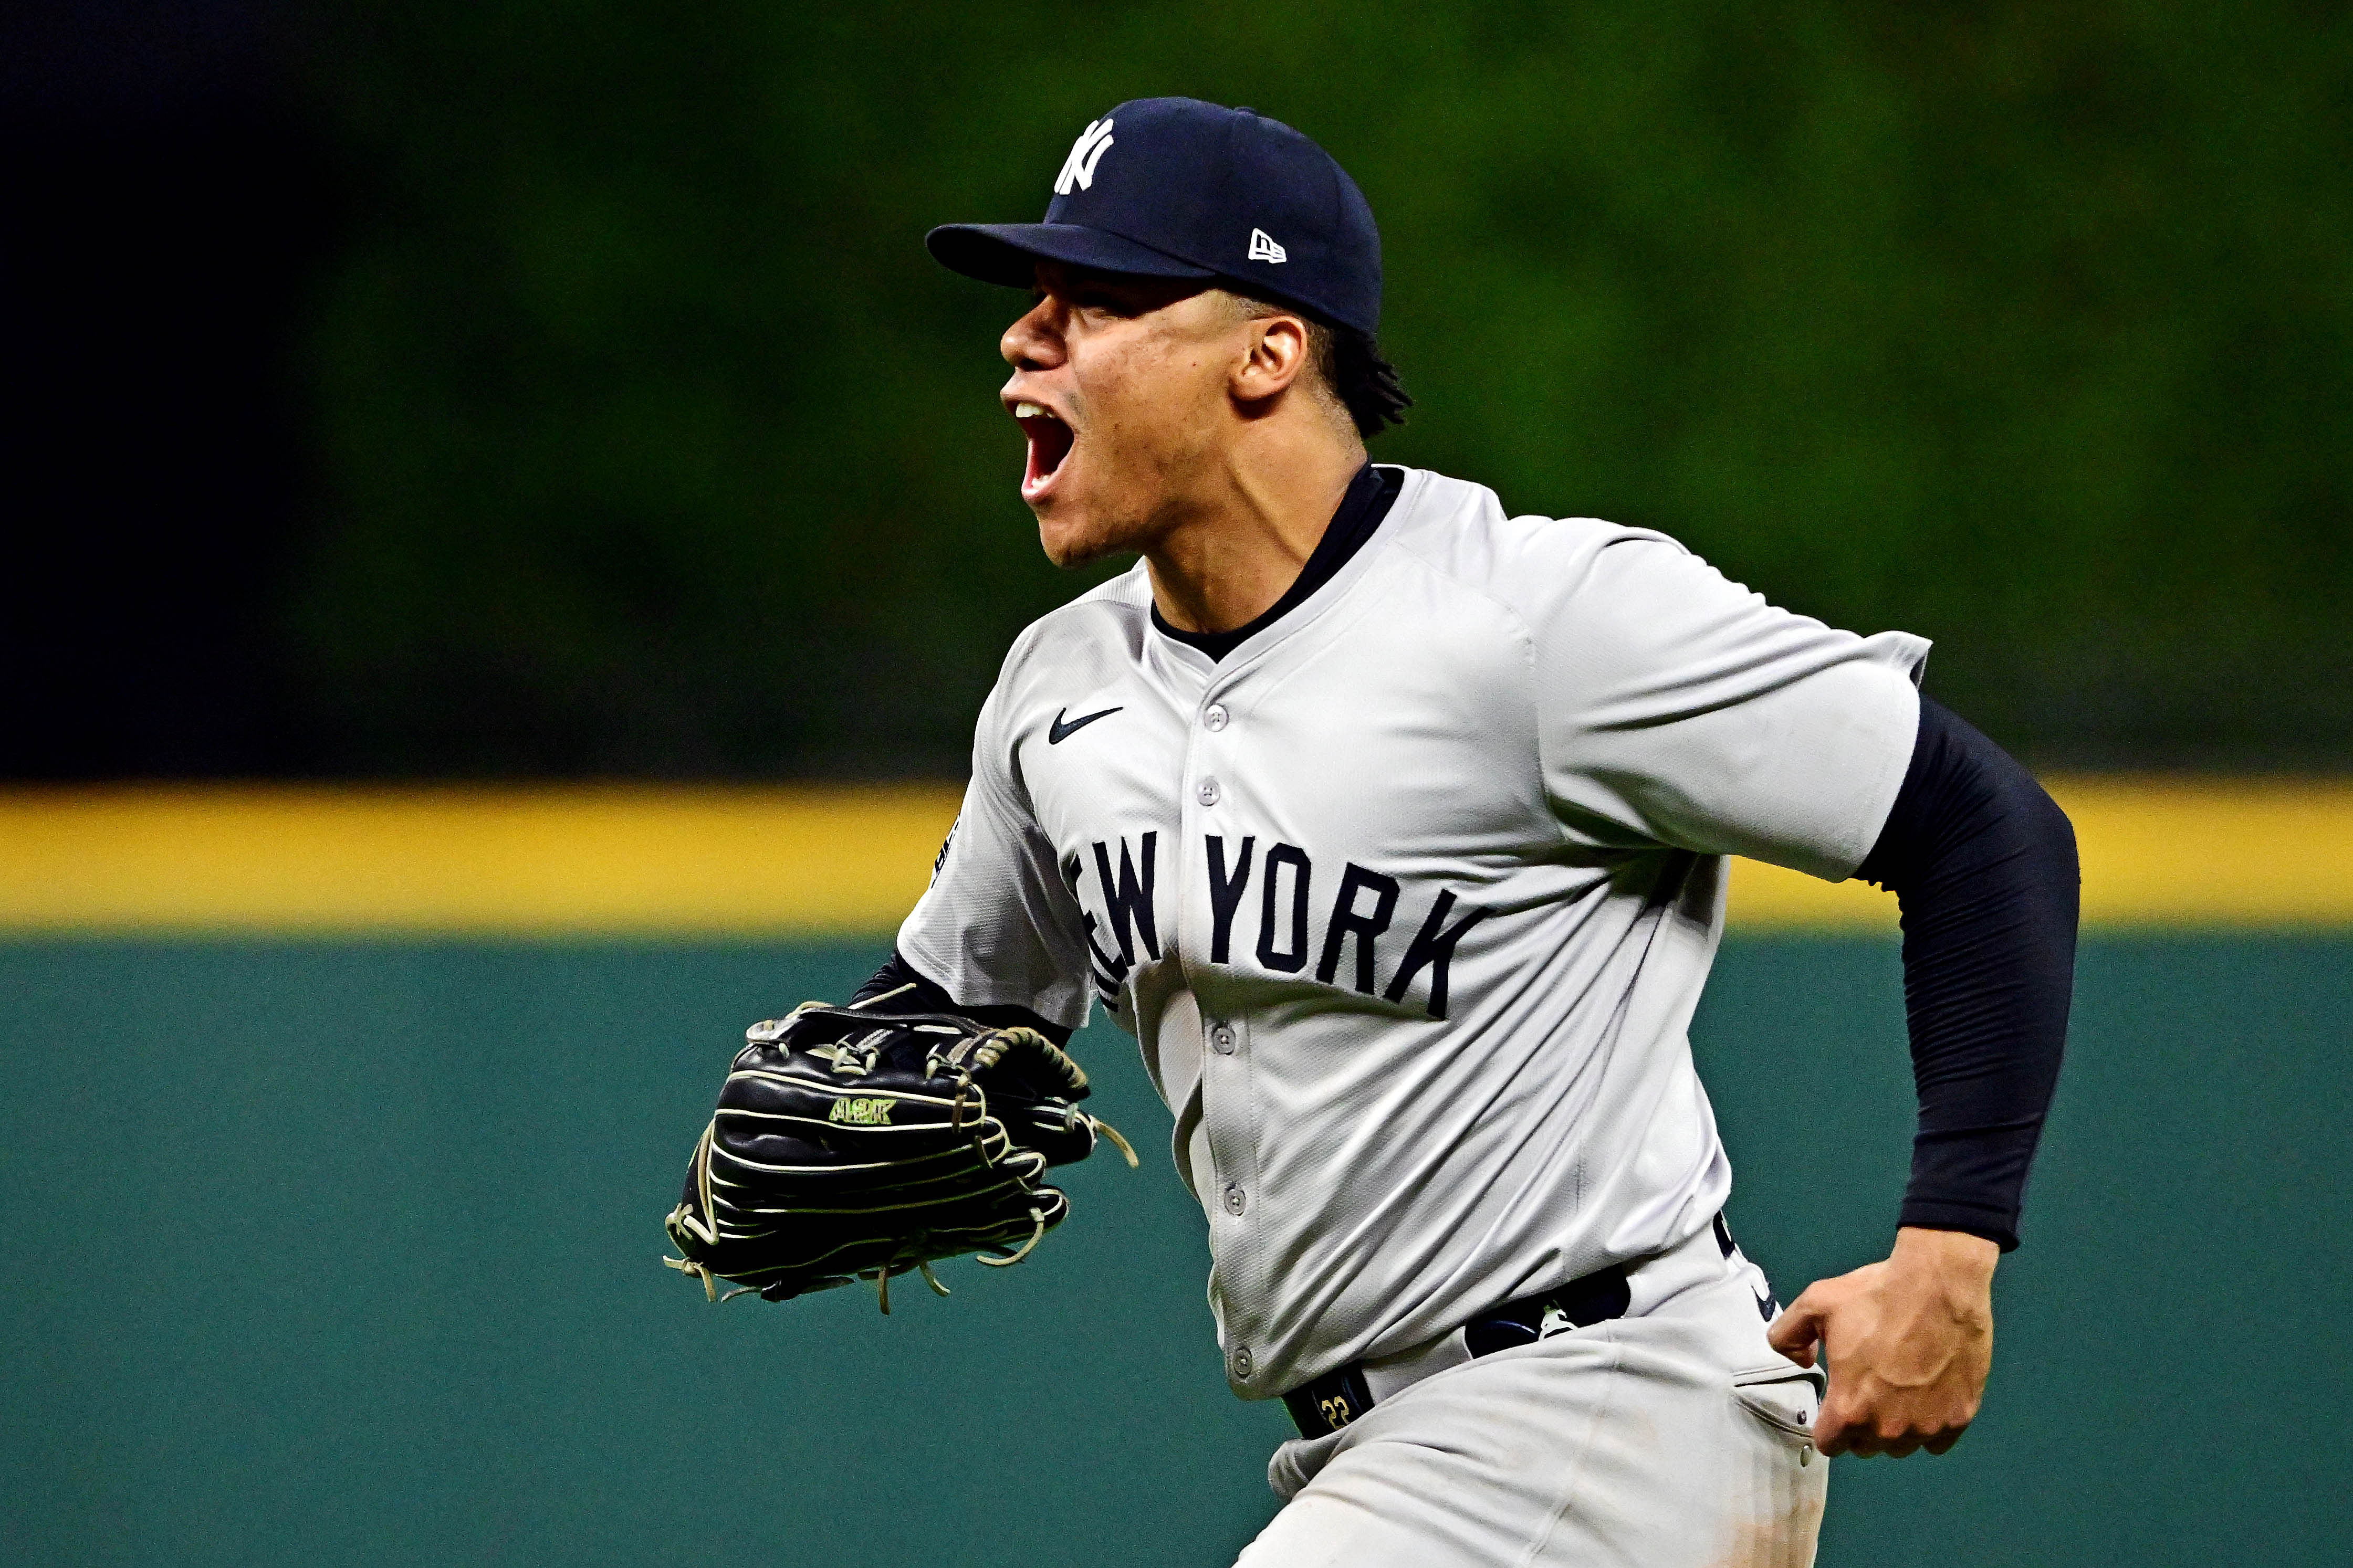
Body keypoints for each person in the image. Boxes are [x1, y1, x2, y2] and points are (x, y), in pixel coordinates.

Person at [853, 97, 2079, 1566]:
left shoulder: (1539, 622)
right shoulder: (1057, 691)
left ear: (1267, 351)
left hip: (1598, 1404)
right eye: (1032, 301)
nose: (1024, 338)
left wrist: (1949, 1250)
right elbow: (950, 1011)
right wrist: (853, 1085)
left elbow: (1978, 820)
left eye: (1094, 299)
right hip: (1366, 1447)